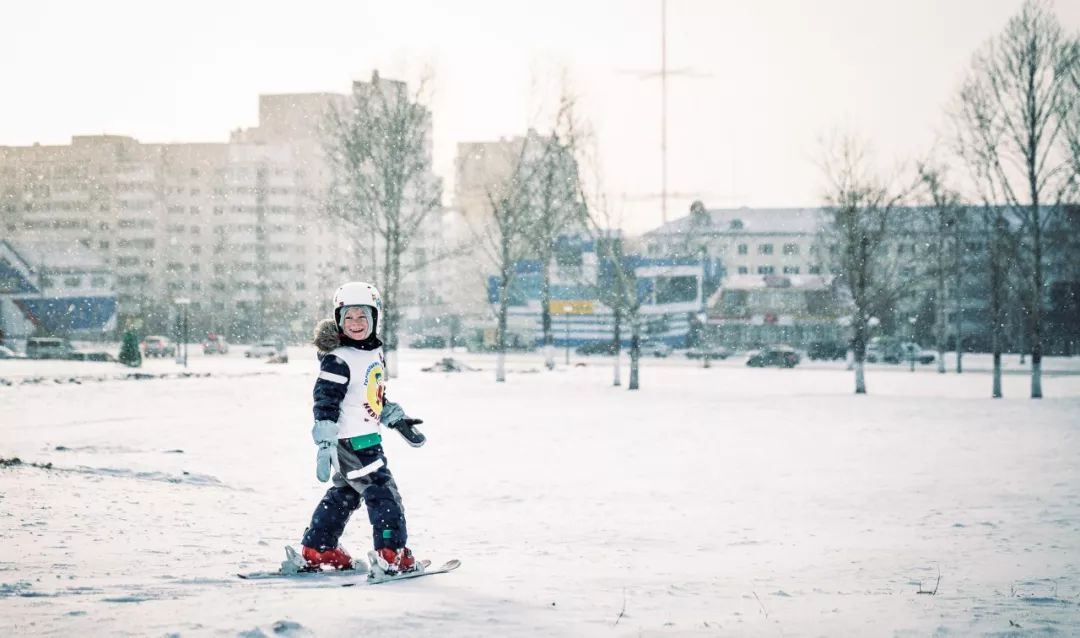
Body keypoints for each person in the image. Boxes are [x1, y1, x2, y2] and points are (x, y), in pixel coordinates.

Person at [295, 281, 427, 576]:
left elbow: (369, 393)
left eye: (362, 316)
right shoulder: (339, 359)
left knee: (347, 492)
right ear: (339, 320)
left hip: (363, 438)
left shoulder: (370, 352)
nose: (356, 323)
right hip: (354, 442)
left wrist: (395, 418)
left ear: (375, 318)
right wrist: (326, 442)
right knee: (383, 493)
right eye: (349, 317)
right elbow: (325, 400)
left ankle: (319, 547)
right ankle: (391, 553)